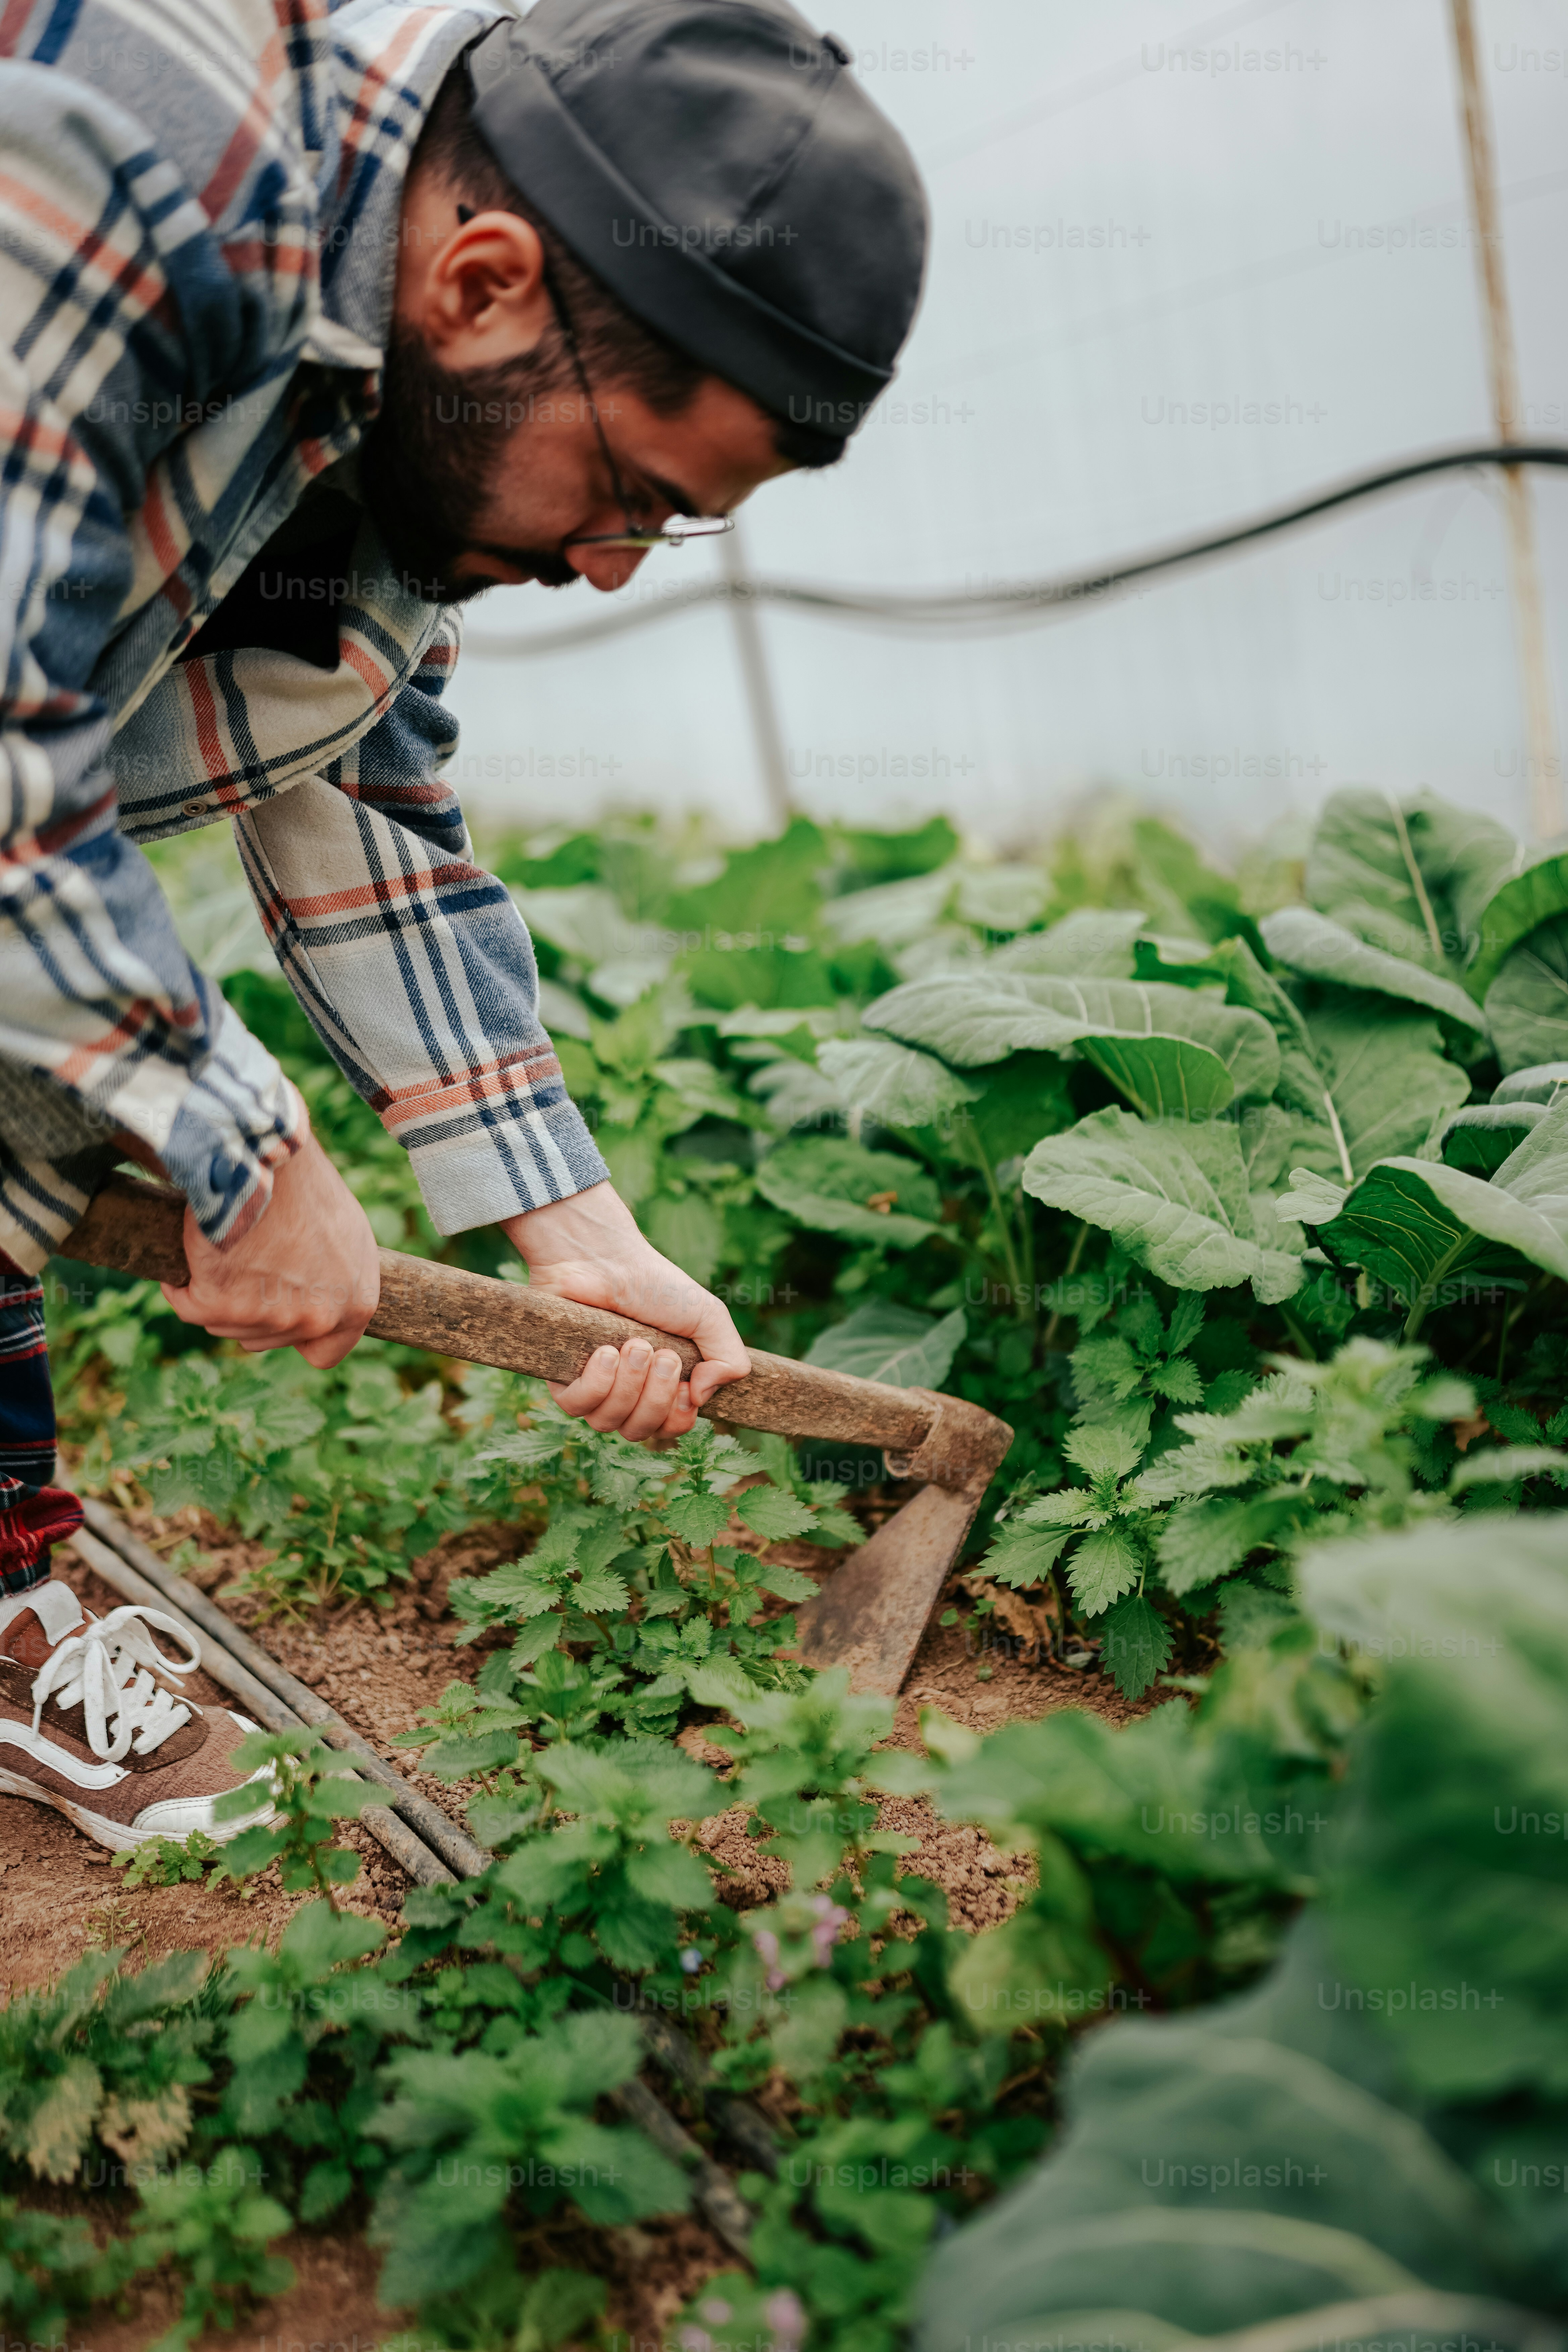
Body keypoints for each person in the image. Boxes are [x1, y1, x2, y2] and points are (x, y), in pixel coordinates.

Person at [0, 0, 927, 1845]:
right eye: (633, 495)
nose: (605, 565)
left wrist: (571, 1224)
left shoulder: (388, 361)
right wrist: (245, 1148)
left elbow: (353, 754)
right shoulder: (121, 155)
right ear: (490, 282)